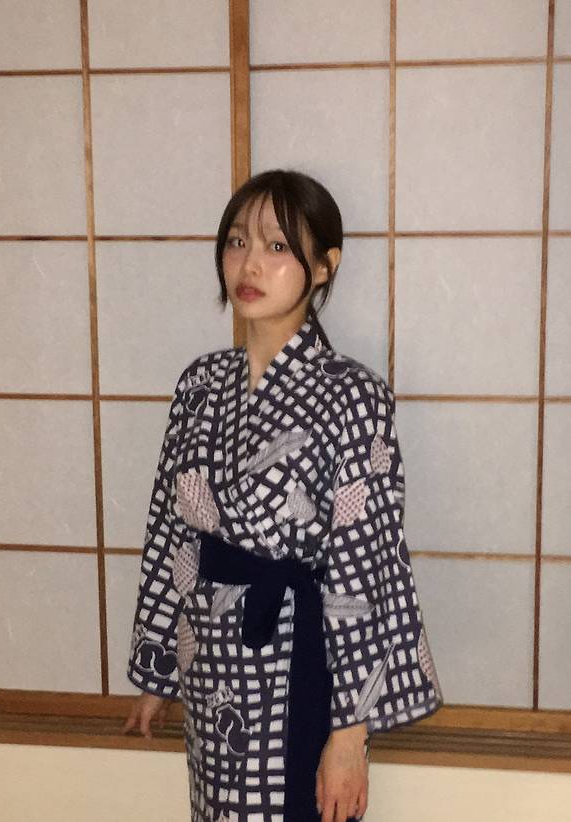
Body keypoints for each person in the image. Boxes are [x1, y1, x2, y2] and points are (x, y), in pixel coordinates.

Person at [123, 169, 443, 822]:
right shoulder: (200, 386)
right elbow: (170, 533)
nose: (250, 264)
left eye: (276, 247)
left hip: (302, 660)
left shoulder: (353, 394)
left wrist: (349, 735)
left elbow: (365, 563)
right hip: (210, 664)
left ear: (324, 266)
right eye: (237, 241)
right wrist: (158, 671)